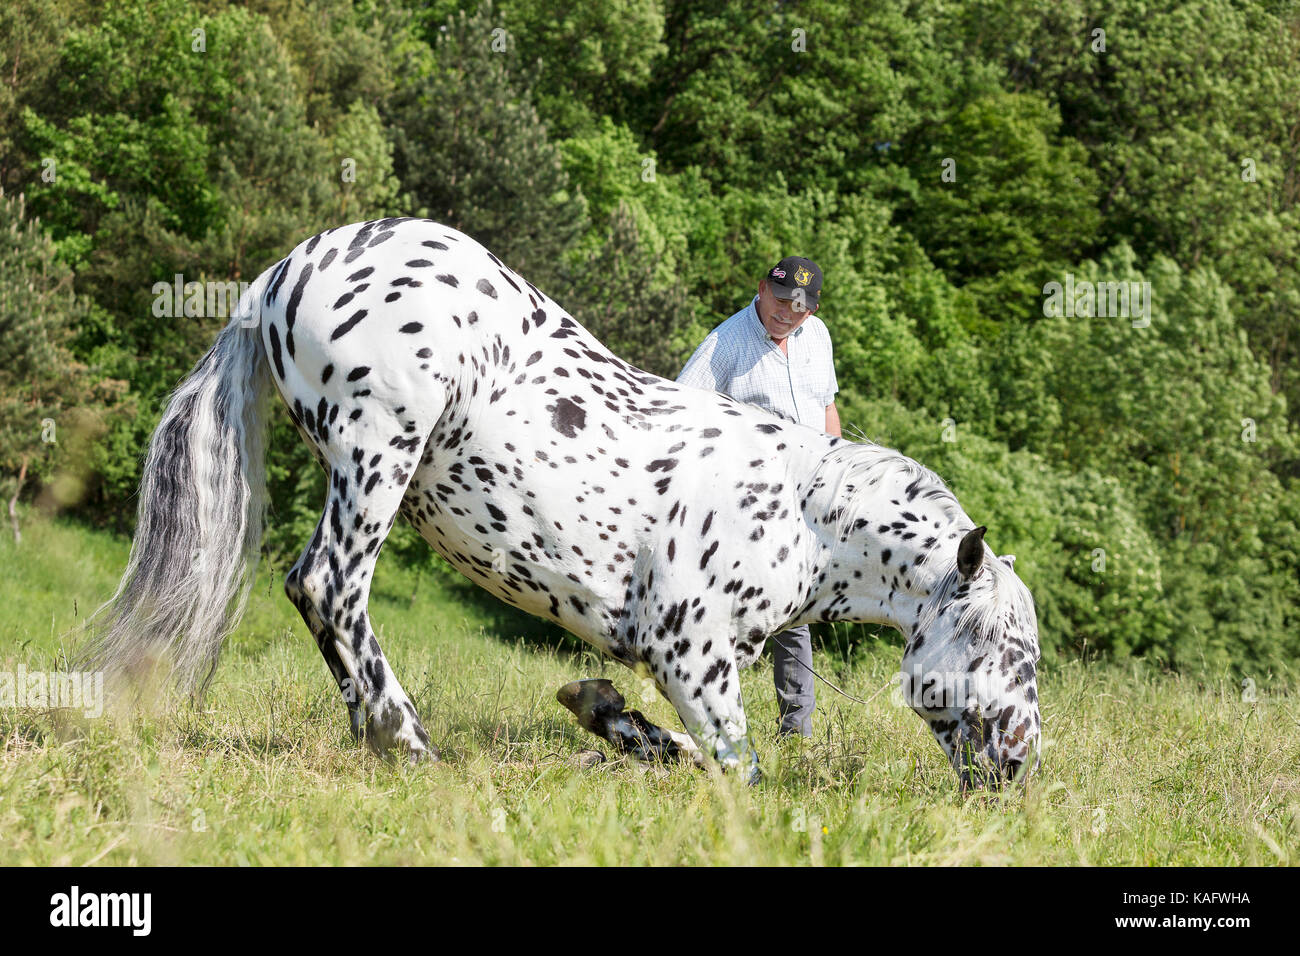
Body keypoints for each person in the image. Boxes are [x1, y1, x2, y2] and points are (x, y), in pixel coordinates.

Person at [676, 256, 840, 737]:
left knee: (795, 610)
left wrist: (838, 467)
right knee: (733, 615)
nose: (789, 314)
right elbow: (680, 417)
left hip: (806, 498)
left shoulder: (819, 336)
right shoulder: (723, 346)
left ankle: (797, 731)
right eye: (782, 301)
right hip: (742, 503)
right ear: (763, 288)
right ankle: (719, 724)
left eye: (801, 308)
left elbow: (826, 405)